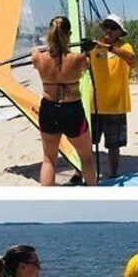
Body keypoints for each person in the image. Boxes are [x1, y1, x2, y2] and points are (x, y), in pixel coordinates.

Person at [31, 16, 97, 186]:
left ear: (49, 34)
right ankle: (96, 197)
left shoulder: (38, 57)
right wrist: (88, 50)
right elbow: (87, 64)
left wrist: (43, 47)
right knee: (86, 158)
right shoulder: (79, 59)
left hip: (49, 109)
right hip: (72, 110)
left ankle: (48, 205)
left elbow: (35, 53)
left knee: (49, 160)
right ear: (69, 35)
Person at [89, 13, 137, 178]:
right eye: (106, 26)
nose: (108, 30)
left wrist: (110, 48)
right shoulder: (94, 46)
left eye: (113, 27)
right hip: (95, 104)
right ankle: (79, 172)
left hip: (116, 105)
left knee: (113, 145)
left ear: (119, 32)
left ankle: (113, 174)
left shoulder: (125, 47)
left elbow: (132, 59)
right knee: (87, 143)